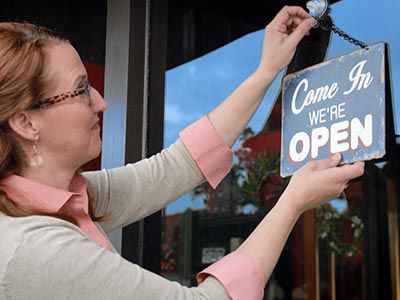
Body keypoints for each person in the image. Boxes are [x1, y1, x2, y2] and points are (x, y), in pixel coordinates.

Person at [0, 6, 364, 300]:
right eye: (80, 91)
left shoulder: (69, 197)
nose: (101, 101)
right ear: (26, 122)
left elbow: (176, 166)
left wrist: (266, 70)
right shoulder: (33, 250)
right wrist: (293, 202)